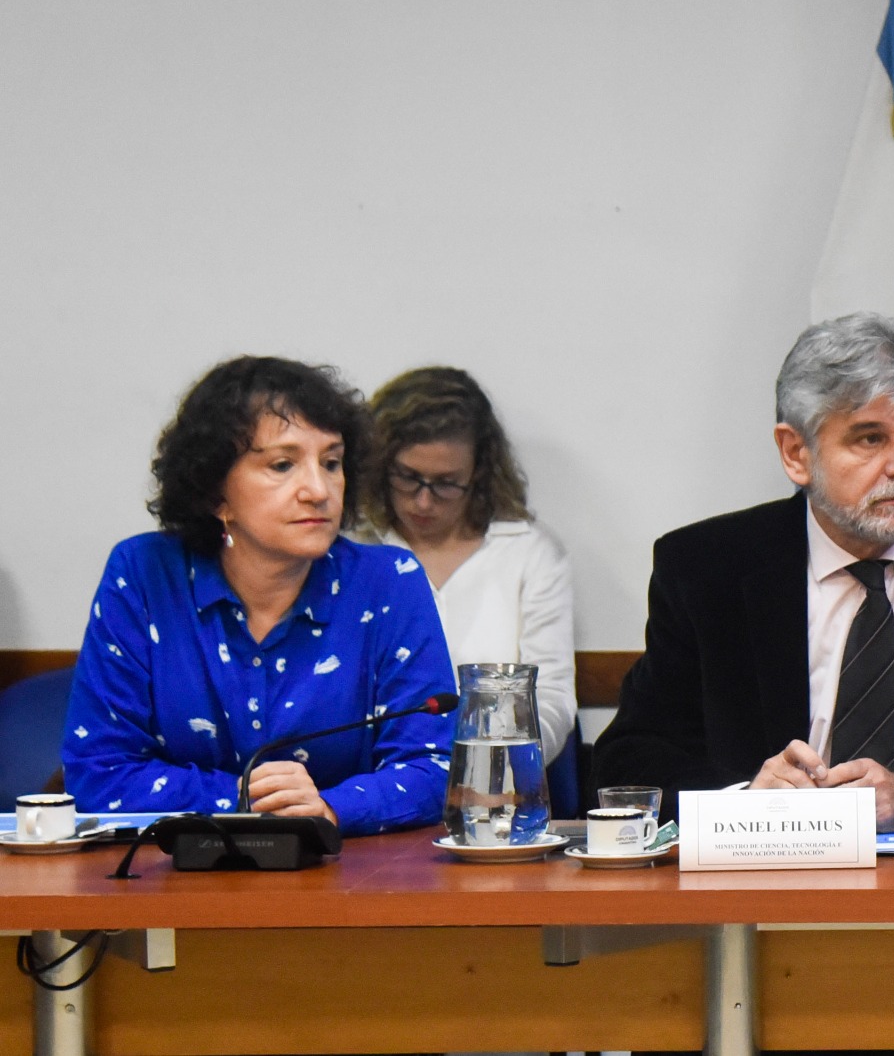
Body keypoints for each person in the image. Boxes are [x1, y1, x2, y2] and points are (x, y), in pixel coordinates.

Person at [593, 312, 894, 832]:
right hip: (762, 884)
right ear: (796, 453)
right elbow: (628, 761)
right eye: (870, 439)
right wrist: (747, 800)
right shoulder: (706, 569)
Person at [62, 357, 457, 837]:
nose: (318, 490)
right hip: (176, 882)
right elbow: (98, 773)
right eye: (283, 465)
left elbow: (435, 769)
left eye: (331, 463)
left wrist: (329, 809)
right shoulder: (144, 577)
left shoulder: (389, 581)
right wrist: (247, 798)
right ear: (216, 493)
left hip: (350, 879)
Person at [362, 367, 576, 761]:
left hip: (495, 781)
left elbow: (551, 697)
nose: (423, 502)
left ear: (478, 474)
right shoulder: (353, 547)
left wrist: (503, 764)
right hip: (375, 779)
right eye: (408, 477)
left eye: (446, 483)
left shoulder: (528, 552)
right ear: (380, 466)